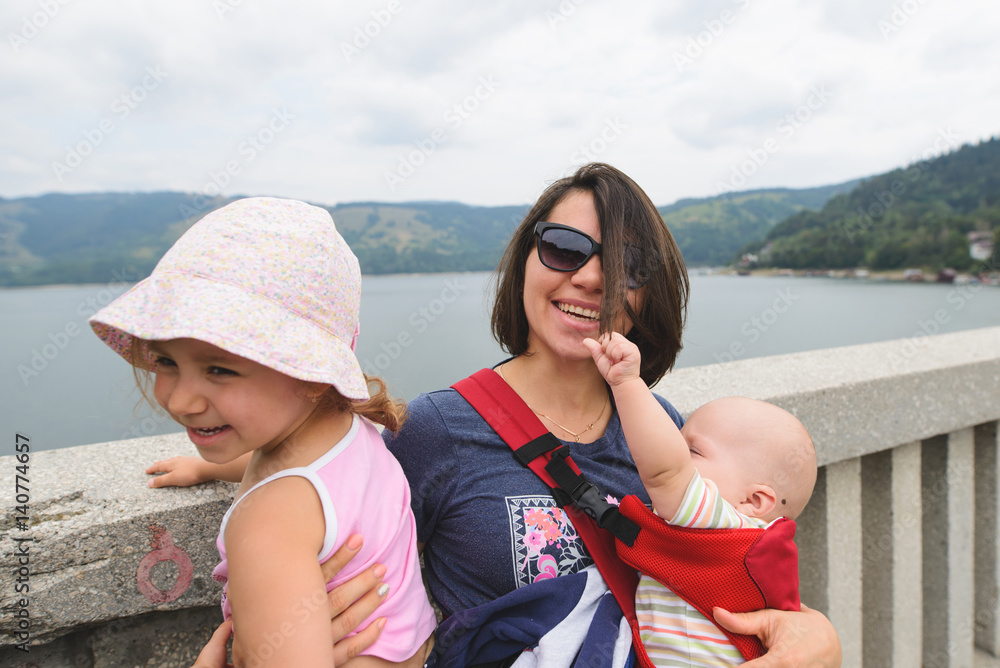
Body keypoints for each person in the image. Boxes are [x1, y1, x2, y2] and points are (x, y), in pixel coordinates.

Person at [151, 165, 841, 667]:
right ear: (527, 262)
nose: (591, 278)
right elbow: (347, 467)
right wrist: (226, 462)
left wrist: (814, 635)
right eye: (566, 249)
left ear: (647, 295)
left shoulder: (664, 431)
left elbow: (722, 561)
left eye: (627, 266)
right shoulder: (445, 429)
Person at [90, 197, 436, 667]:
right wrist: (204, 467)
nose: (179, 401)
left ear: (311, 374)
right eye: (167, 362)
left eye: (218, 370)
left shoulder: (266, 521)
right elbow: (281, 462)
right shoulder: (348, 431)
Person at [585, 332, 817, 666]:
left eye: (690, 450)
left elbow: (665, 471)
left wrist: (626, 383)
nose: (678, 454)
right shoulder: (758, 547)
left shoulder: (720, 523)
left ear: (754, 500)